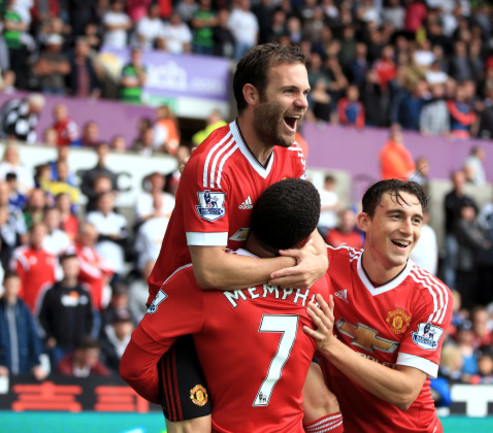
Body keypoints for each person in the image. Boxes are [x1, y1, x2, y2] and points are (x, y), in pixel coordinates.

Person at [147, 43, 328, 432]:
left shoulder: (292, 155)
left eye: (306, 92)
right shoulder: (212, 166)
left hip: (245, 306)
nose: (302, 103)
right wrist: (292, 265)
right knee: (196, 426)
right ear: (251, 94)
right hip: (184, 313)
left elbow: (307, 230)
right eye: (289, 91)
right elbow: (209, 271)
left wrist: (322, 259)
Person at [121, 179, 342, 433]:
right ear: (304, 241)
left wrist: (189, 398)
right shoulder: (318, 284)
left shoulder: (195, 284)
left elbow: (134, 368)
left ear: (249, 220)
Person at [305, 179, 452, 433]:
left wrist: (329, 345)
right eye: (396, 216)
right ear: (364, 222)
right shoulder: (330, 264)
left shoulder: (432, 296)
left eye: (416, 220)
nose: (408, 229)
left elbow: (405, 392)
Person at [38, 252, 95, 369]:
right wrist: (48, 337)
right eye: (67, 266)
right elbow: (41, 317)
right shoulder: (51, 291)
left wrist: (88, 340)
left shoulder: (84, 292)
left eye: (73, 266)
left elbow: (91, 318)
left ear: (78, 269)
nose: (70, 269)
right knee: (60, 377)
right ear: (61, 268)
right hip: (58, 346)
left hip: (80, 347)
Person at [0, 272, 48, 380]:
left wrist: (37, 363)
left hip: (24, 367)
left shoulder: (24, 310)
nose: (12, 289)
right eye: (9, 285)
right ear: (4, 285)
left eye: (15, 285)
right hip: (3, 368)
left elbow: (33, 337)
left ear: (19, 287)